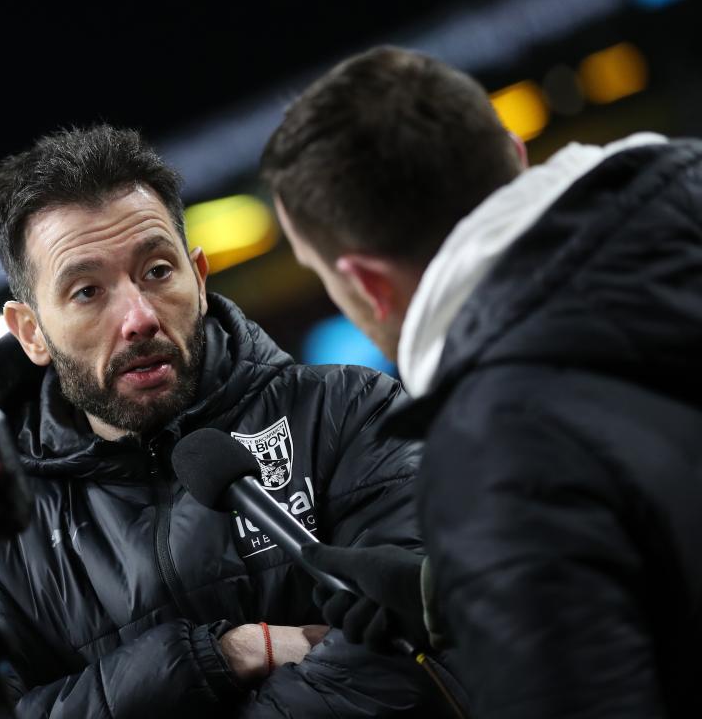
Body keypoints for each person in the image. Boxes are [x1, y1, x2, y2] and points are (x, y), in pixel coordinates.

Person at [261, 45, 702, 718]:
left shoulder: (495, 450)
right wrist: (464, 591)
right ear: (515, 153)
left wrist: (505, 544)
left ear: (365, 284)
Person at [0, 124, 459, 718]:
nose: (139, 318)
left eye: (156, 271)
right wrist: (218, 656)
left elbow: (417, 664)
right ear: (30, 332)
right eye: (86, 291)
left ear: (198, 279)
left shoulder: (349, 412)